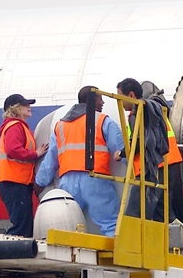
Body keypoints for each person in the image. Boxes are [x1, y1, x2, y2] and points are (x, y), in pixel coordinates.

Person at [35, 86, 126, 236]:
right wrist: (137, 170)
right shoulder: (102, 121)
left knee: (68, 225)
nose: (102, 102)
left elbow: (51, 160)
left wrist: (39, 182)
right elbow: (121, 149)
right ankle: (115, 258)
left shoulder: (60, 126)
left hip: (68, 183)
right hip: (96, 179)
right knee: (111, 225)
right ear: (91, 100)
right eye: (99, 98)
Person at [116, 78, 168, 221]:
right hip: (168, 163)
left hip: (151, 168)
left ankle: (133, 243)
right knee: (162, 215)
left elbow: (140, 140)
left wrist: (121, 153)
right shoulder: (155, 108)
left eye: (120, 96)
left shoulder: (137, 112)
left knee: (135, 214)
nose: (120, 101)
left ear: (131, 95)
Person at [0, 93, 48, 237]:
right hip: (14, 183)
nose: (29, 107)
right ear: (15, 109)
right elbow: (13, 150)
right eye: (25, 105)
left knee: (24, 225)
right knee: (21, 226)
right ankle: (10, 253)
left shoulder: (18, 126)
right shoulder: (15, 126)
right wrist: (36, 154)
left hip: (17, 183)